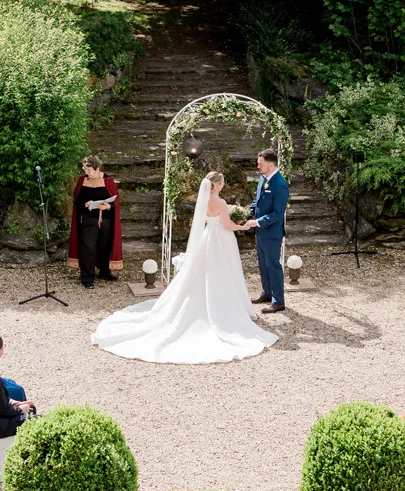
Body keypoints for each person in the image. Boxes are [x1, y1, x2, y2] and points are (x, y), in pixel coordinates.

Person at [92, 172, 279, 364]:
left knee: (204, 271)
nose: (224, 185)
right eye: (222, 182)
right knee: (223, 272)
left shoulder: (204, 201)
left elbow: (206, 220)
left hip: (208, 238)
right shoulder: (221, 203)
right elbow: (227, 225)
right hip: (221, 240)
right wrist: (243, 226)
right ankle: (224, 306)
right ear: (216, 185)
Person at [244, 149, 289, 314]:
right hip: (260, 232)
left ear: (271, 164)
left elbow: (278, 213)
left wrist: (257, 222)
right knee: (263, 265)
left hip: (272, 233)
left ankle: (279, 301)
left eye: (260, 164)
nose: (258, 167)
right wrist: (246, 213)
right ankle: (267, 293)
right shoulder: (263, 178)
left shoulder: (280, 184)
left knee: (273, 266)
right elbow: (257, 200)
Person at [69, 155, 123, 288]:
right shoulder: (82, 181)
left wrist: (108, 206)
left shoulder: (108, 181)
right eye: (85, 170)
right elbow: (77, 201)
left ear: (97, 168)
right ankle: (87, 278)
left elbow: (115, 202)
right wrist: (86, 204)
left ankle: (104, 272)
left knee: (105, 246)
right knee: (88, 247)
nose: (86, 173)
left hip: (106, 219)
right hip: (87, 220)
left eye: (89, 170)